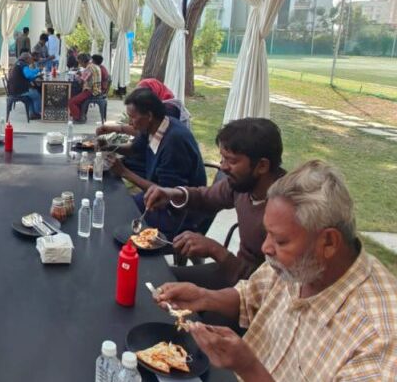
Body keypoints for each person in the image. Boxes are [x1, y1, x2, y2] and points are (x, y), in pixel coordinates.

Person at [155, 160, 397, 381]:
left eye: (280, 240)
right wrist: (204, 297)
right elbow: (251, 297)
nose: (265, 247)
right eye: (267, 233)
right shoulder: (299, 264)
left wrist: (248, 367)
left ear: (329, 243)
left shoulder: (378, 339)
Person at [145, 118, 285, 290]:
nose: (223, 167)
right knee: (156, 278)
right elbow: (206, 197)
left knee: (172, 299)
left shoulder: (285, 212)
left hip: (253, 292)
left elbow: (272, 287)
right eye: (222, 159)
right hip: (231, 271)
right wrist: (171, 193)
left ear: (262, 166)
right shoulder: (243, 185)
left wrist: (215, 250)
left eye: (232, 161)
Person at [104, 88, 210, 238]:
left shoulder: (174, 141)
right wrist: (108, 146)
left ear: (149, 115)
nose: (130, 122)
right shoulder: (156, 125)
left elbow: (166, 194)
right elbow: (135, 149)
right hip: (160, 194)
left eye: (132, 117)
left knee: (121, 213)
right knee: (114, 202)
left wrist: (123, 172)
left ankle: (130, 255)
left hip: (180, 212)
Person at [7, 52, 42, 120]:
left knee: (33, 94)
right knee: (36, 94)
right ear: (26, 59)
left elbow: (26, 77)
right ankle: (38, 112)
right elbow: (28, 75)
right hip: (19, 90)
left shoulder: (17, 63)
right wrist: (37, 70)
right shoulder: (23, 65)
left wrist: (36, 76)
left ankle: (33, 114)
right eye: (30, 59)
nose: (31, 60)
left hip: (13, 89)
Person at [68, 53, 101, 122]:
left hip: (91, 91)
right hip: (96, 89)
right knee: (75, 94)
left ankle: (78, 118)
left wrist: (77, 77)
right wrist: (81, 74)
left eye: (79, 62)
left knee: (71, 101)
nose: (79, 64)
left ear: (82, 61)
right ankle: (79, 115)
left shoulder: (89, 68)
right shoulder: (94, 66)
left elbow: (80, 81)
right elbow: (86, 77)